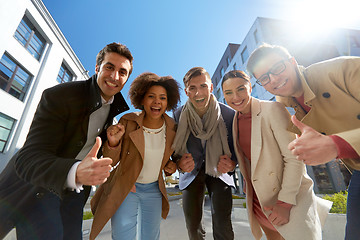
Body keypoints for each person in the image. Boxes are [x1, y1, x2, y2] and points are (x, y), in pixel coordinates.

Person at [0, 42, 133, 239]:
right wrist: (75, 171)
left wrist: (111, 144)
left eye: (122, 72)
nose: (115, 77)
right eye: (109, 67)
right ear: (97, 68)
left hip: (74, 195)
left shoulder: (113, 112)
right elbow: (28, 158)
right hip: (33, 187)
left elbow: (92, 153)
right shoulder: (60, 95)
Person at [246, 43, 360, 239]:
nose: (274, 79)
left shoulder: (342, 70)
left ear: (292, 61)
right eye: (264, 78)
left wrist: (336, 145)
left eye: (278, 68)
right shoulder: (282, 105)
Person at [221, 70, 331, 240]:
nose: (235, 97)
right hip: (260, 200)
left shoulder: (272, 109)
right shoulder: (234, 120)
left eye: (241, 89)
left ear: (250, 87)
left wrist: (285, 203)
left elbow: (294, 158)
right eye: (228, 92)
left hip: (287, 199)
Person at [89, 72, 181, 240]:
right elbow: (112, 159)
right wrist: (113, 143)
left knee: (150, 236)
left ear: (168, 102)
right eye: (151, 96)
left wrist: (171, 166)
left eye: (162, 98)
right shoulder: (128, 121)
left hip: (154, 189)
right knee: (123, 236)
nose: (157, 102)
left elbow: (172, 158)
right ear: (142, 99)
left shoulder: (173, 128)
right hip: (127, 187)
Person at [172, 67, 237, 240]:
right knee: (193, 227)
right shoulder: (177, 115)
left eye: (203, 86)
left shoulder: (228, 114)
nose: (198, 92)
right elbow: (173, 148)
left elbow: (237, 147)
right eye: (192, 88)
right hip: (192, 172)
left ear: (211, 87)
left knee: (223, 224)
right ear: (186, 91)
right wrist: (179, 162)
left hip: (219, 171)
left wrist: (233, 163)